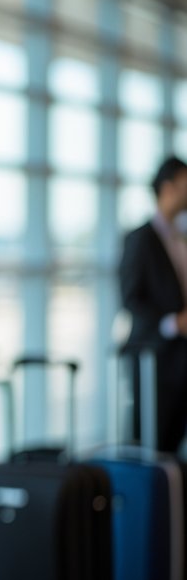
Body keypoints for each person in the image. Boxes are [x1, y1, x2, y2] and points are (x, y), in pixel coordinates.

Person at [119, 156, 187, 455]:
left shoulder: (181, 238)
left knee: (174, 449)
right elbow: (130, 299)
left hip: (181, 363)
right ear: (168, 186)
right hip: (154, 361)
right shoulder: (140, 238)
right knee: (152, 449)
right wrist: (173, 323)